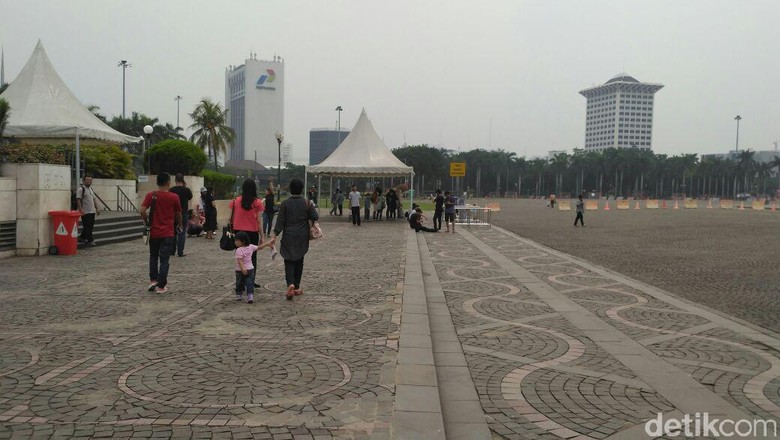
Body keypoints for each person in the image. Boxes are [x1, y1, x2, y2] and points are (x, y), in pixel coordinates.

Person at [269, 178, 319, 300]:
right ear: (301, 189)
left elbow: (280, 222)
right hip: (302, 236)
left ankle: (290, 284)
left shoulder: (285, 203)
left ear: (290, 189)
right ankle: (296, 286)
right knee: (299, 260)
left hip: (289, 235)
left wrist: (274, 236)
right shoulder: (307, 202)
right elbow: (315, 216)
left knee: (289, 260)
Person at [140, 172, 182, 294]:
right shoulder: (174, 197)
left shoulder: (151, 195)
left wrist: (146, 221)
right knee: (164, 260)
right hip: (168, 232)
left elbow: (142, 210)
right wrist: (180, 223)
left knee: (153, 256)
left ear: (157, 182)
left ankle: (153, 280)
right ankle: (161, 286)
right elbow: (178, 213)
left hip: (154, 232)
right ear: (168, 183)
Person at [229, 179, 266, 275]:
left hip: (238, 232)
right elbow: (258, 220)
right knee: (252, 256)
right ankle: (251, 279)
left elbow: (230, 218)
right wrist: (262, 236)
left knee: (240, 256)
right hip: (252, 232)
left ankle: (240, 278)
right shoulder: (257, 202)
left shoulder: (236, 201)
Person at [234, 231, 271, 304]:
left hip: (242, 270)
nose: (235, 242)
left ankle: (247, 295)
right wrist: (267, 244)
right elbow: (259, 247)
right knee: (244, 283)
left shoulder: (240, 249)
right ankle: (242, 294)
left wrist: (242, 268)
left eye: (236, 240)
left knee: (243, 283)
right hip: (248, 269)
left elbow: (240, 261)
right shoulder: (249, 247)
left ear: (243, 241)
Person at [169, 174, 193, 257]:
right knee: (182, 233)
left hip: (173, 213)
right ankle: (180, 252)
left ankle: (172, 251)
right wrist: (185, 186)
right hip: (183, 213)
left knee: (173, 232)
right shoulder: (186, 190)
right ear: (183, 180)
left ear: (175, 180)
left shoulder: (171, 190)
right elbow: (190, 197)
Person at [76, 174, 99, 246]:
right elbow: (78, 200)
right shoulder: (81, 189)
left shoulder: (91, 189)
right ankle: (90, 240)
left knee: (90, 226)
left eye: (90, 180)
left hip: (92, 211)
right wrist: (80, 209)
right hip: (85, 212)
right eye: (87, 180)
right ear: (83, 181)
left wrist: (97, 208)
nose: (89, 181)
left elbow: (94, 199)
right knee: (87, 227)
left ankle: (81, 237)